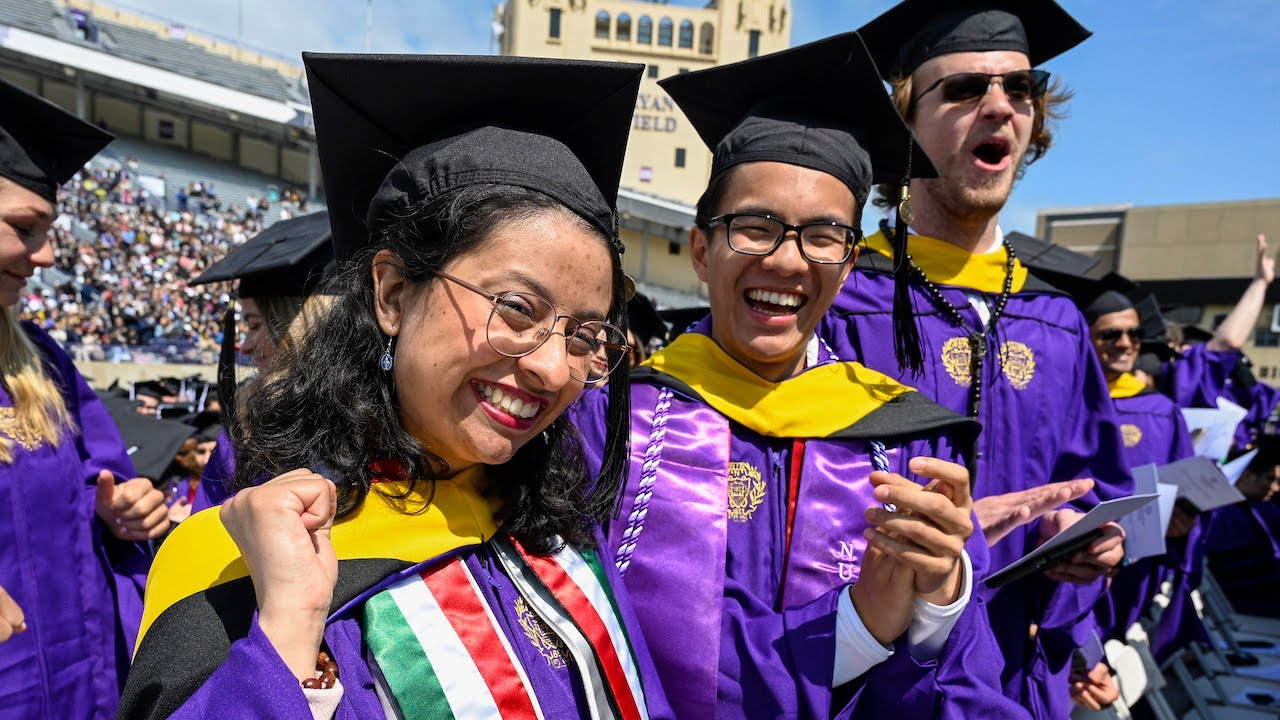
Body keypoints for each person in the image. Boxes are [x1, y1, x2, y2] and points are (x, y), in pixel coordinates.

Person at [119, 53, 673, 719]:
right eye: (518, 309)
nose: (556, 370)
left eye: (585, 334)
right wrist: (287, 636)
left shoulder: (556, 524)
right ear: (391, 293)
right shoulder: (240, 565)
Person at [574, 33, 1029, 719]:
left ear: (848, 269)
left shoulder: (905, 440)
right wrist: (855, 627)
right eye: (755, 226)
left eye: (823, 237)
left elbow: (970, 681)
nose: (788, 263)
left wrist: (941, 601)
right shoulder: (608, 425)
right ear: (702, 250)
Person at [820, 3, 1134, 717]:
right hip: (870, 681)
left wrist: (1083, 547)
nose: (998, 106)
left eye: (1019, 89)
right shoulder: (841, 294)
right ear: (903, 122)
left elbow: (1095, 487)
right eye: (962, 89)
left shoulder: (1055, 320)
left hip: (1014, 682)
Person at [0, 76, 169, 718]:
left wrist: (122, 511)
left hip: (83, 685)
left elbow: (101, 477)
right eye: (25, 227)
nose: (46, 255)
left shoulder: (40, 361)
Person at [1077, 289, 1206, 671]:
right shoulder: (1069, 400)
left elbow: (1184, 482)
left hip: (1137, 566)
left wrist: (1186, 519)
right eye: (1111, 335)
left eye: (1134, 334)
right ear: (1086, 337)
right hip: (1075, 561)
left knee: (1112, 660)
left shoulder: (1161, 411)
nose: (1126, 344)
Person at [186, 211, 337, 512]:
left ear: (301, 324)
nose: (245, 345)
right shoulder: (248, 422)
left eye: (255, 325)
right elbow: (204, 522)